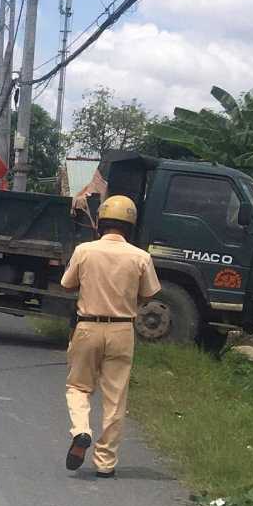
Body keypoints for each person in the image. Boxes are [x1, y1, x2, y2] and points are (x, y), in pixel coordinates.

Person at [59, 195, 161, 478]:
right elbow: (151, 293)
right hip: (122, 330)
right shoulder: (142, 257)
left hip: (88, 327)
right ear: (130, 226)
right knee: (115, 397)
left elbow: (67, 285)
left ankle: (81, 431)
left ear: (101, 221)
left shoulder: (84, 250)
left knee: (78, 387)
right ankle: (105, 463)